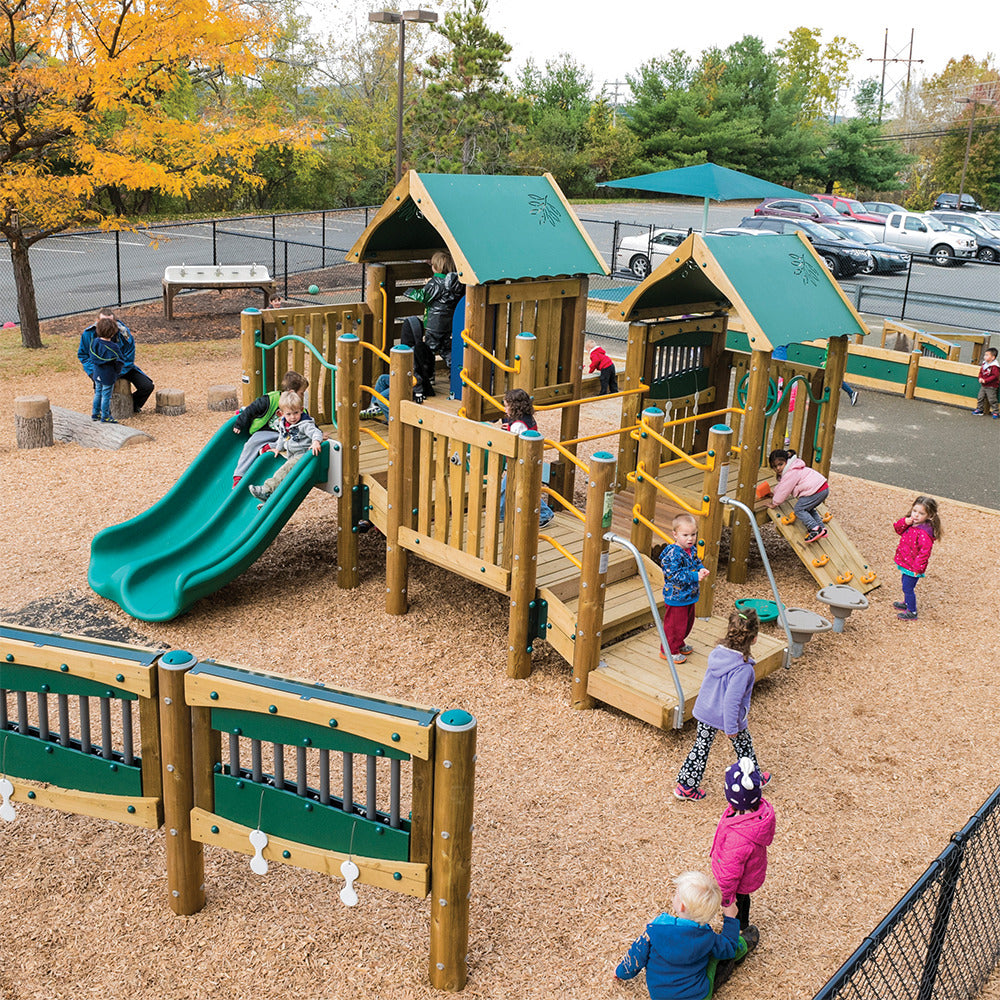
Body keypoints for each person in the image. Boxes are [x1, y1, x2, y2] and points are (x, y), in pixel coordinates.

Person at [674, 608, 769, 802]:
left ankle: (685, 785)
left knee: (701, 747)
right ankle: (754, 778)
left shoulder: (718, 654)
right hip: (728, 716)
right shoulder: (742, 669)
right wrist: (731, 727)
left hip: (706, 709)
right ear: (754, 638)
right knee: (744, 745)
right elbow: (732, 700)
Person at [614, 870, 749, 999]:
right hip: (698, 996)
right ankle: (743, 948)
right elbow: (729, 948)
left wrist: (620, 973)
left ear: (682, 906)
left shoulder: (655, 930)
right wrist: (731, 918)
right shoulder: (709, 938)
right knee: (723, 951)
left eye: (676, 893)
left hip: (660, 997)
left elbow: (634, 958)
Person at [710, 758, 775, 950]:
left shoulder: (739, 837)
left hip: (737, 880)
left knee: (736, 905)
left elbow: (730, 872)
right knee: (744, 898)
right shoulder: (757, 814)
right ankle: (742, 925)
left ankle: (736, 936)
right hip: (749, 874)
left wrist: (727, 899)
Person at [231, 371, 310, 487]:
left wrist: (318, 434)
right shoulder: (270, 399)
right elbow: (251, 409)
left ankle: (267, 447)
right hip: (266, 431)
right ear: (292, 392)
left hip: (284, 435)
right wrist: (240, 423)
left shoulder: (300, 410)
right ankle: (239, 476)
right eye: (302, 393)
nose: (303, 396)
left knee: (294, 442)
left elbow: (308, 424)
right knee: (250, 444)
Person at [402, 251, 463, 398]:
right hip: (447, 323)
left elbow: (424, 297)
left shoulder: (435, 282)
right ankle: (457, 372)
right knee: (445, 348)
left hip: (434, 323)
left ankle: (428, 376)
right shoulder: (455, 283)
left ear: (436, 267)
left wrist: (410, 292)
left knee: (428, 350)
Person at [248, 391, 324, 503]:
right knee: (284, 477)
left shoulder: (304, 424)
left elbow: (316, 432)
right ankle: (271, 500)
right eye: (288, 414)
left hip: (305, 456)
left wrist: (316, 442)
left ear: (301, 409)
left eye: (296, 413)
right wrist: (278, 448)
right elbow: (282, 437)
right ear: (281, 413)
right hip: (293, 455)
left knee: (284, 470)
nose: (293, 417)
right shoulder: (283, 423)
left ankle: (266, 490)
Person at [78, 308, 154, 413]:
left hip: (122, 368)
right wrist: (93, 370)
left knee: (147, 386)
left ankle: (132, 406)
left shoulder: (124, 333)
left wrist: (116, 373)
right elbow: (83, 355)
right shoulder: (89, 334)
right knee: (100, 387)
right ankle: (101, 412)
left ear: (115, 322)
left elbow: (128, 357)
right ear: (97, 321)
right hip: (99, 368)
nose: (107, 324)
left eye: (110, 321)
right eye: (103, 321)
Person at [498, 388, 554, 528]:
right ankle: (501, 513)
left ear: (514, 407)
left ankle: (544, 514)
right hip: (528, 459)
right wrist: (510, 427)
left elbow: (518, 442)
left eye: (506, 406)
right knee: (519, 487)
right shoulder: (526, 419)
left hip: (520, 461)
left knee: (515, 488)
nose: (505, 409)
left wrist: (511, 431)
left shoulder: (518, 425)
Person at [659, 514, 709, 664]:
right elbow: (674, 575)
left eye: (693, 534)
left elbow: (696, 562)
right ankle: (668, 650)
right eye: (685, 535)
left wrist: (701, 569)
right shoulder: (673, 554)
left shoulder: (691, 550)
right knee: (675, 624)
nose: (690, 538)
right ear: (675, 534)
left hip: (688, 595)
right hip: (676, 596)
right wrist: (694, 576)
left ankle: (679, 643)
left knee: (687, 622)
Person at [892, 495, 942, 621]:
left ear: (929, 516)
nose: (916, 515)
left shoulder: (924, 533)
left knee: (908, 587)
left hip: (913, 566)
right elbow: (898, 529)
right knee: (904, 583)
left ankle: (912, 611)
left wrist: (918, 568)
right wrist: (905, 521)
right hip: (906, 561)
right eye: (914, 511)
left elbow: (925, 552)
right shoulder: (911, 523)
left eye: (921, 513)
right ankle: (907, 603)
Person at [765, 448, 829, 544]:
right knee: (808, 509)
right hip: (822, 488)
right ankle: (821, 529)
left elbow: (784, 489)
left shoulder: (791, 472)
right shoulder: (794, 468)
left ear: (787, 462)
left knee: (799, 509)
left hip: (816, 490)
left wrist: (775, 503)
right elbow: (782, 486)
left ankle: (815, 529)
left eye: (780, 464)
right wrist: (775, 494)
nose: (778, 468)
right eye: (774, 466)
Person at [89, 316, 126, 423]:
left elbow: (92, 355)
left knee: (98, 393)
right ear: (112, 333)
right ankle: (105, 415)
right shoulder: (113, 347)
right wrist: (117, 372)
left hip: (97, 372)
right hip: (108, 375)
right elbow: (120, 361)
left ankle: (95, 413)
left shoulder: (95, 342)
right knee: (106, 396)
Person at [972, 346, 999, 418]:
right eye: (985, 355)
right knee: (980, 397)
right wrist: (980, 377)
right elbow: (981, 372)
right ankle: (979, 409)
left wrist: (985, 380)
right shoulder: (984, 364)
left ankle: (996, 411)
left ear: (993, 357)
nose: (985, 356)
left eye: (987, 355)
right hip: (984, 385)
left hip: (991, 386)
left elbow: (995, 376)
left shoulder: (994, 367)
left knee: (992, 399)